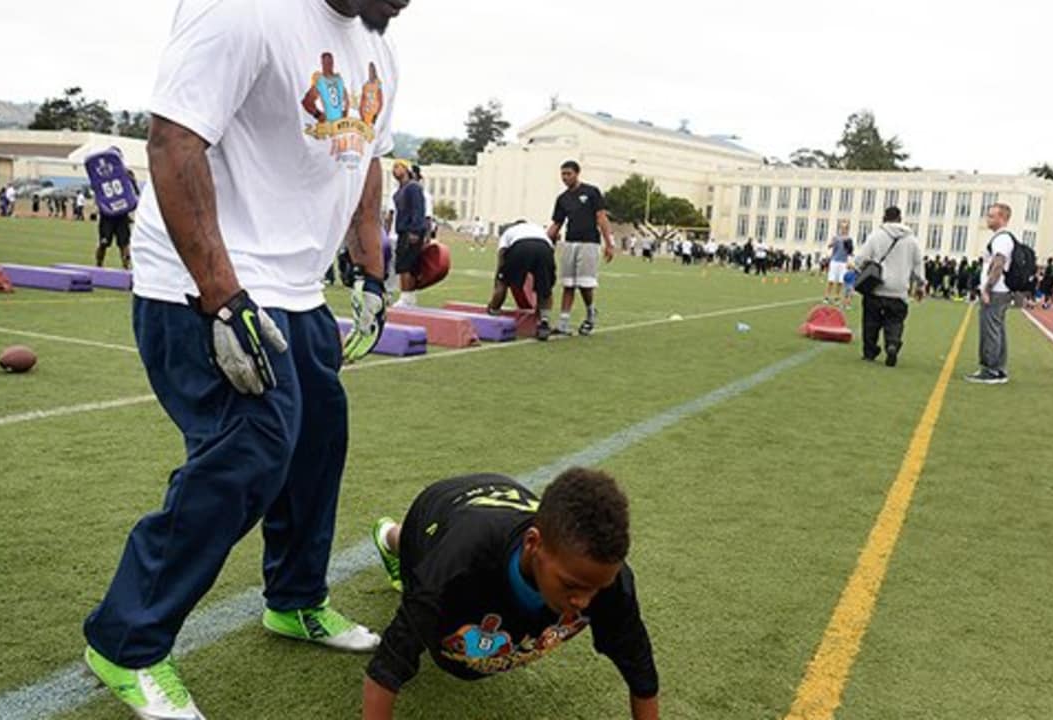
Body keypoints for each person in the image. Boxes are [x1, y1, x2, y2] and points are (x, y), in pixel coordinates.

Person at [81, 2, 406, 717]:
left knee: (319, 439)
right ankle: (125, 641)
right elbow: (171, 141)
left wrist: (372, 274)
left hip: (294, 289)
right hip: (198, 284)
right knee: (251, 447)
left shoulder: (379, 49)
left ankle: (294, 600)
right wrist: (221, 296)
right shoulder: (244, 10)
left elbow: (366, 161)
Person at [364, 469, 660, 720]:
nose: (583, 602)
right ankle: (392, 536)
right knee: (445, 635)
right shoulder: (457, 563)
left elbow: (640, 670)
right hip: (439, 512)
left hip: (502, 507)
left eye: (596, 588)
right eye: (572, 586)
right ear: (533, 544)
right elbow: (386, 667)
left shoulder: (606, 578)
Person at [547, 161, 614, 336]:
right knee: (568, 284)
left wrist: (609, 242)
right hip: (570, 243)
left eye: (568, 174)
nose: (565, 177)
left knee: (585, 284)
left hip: (589, 243)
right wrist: (545, 241)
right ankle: (563, 323)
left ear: (577, 173)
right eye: (563, 174)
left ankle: (591, 313)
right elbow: (557, 223)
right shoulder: (562, 199)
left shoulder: (591, 192)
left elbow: (601, 217)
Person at [856, 206, 925, 367]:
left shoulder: (876, 236)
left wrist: (865, 267)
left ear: (884, 218)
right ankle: (892, 344)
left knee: (871, 321)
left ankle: (870, 351)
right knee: (895, 321)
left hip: (876, 287)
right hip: (899, 289)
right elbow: (918, 265)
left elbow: (860, 259)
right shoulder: (911, 240)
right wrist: (920, 285)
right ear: (900, 219)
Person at [966, 203, 1017, 384]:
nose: (988, 219)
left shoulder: (1001, 239)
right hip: (1001, 291)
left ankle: (991, 369)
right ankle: (998, 369)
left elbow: (998, 264)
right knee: (998, 329)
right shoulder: (1003, 238)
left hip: (996, 291)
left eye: (992, 216)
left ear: (1002, 218)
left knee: (991, 330)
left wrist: (987, 288)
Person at [487, 220, 557, 341]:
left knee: (503, 282)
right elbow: (551, 249)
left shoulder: (509, 232)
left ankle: (494, 310)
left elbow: (502, 255)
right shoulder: (537, 228)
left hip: (521, 247)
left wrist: (500, 277)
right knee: (545, 288)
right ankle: (544, 322)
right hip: (544, 249)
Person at [390, 159, 426, 307]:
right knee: (404, 265)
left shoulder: (413, 187)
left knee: (406, 265)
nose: (394, 170)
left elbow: (418, 209)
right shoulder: (399, 190)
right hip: (402, 230)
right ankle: (409, 297)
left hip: (410, 230)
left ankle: (406, 297)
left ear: (406, 169)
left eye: (397, 167)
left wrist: (415, 230)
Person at [97, 171, 139, 270]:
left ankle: (126, 267)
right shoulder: (103, 174)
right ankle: (99, 264)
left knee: (124, 244)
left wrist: (131, 181)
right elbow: (97, 190)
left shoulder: (126, 173)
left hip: (121, 214)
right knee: (104, 243)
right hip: (108, 215)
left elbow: (135, 193)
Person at [825, 221, 853, 304]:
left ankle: (837, 297)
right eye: (842, 228)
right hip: (835, 260)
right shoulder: (836, 237)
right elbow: (829, 246)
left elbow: (850, 251)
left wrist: (849, 249)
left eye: (845, 228)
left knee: (840, 281)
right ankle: (827, 296)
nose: (843, 229)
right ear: (840, 228)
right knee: (831, 280)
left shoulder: (849, 239)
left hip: (843, 262)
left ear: (847, 229)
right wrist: (833, 243)